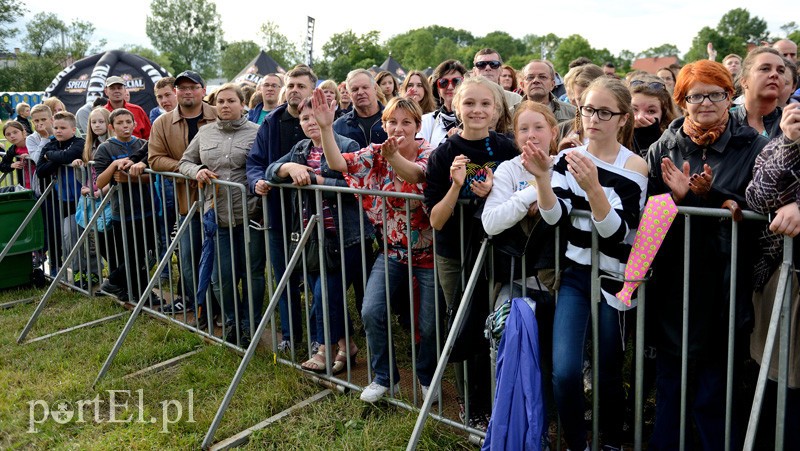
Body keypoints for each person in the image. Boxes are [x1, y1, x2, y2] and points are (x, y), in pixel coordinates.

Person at [645, 59, 769, 450]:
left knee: (714, 391)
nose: (706, 103)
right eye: (696, 96)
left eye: (716, 94)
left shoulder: (754, 145)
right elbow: (647, 217)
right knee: (672, 387)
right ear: (682, 101)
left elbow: (760, 210)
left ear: (730, 97)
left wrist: (711, 198)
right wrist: (673, 199)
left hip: (727, 284)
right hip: (675, 285)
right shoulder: (663, 146)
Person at [523, 76, 648, 451]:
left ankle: (609, 439)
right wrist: (544, 179)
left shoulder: (636, 167)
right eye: (588, 109)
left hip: (616, 279)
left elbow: (616, 232)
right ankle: (575, 441)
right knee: (564, 371)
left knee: (609, 369)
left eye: (604, 112)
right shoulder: (566, 159)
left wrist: (593, 188)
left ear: (623, 118)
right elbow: (553, 217)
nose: (593, 119)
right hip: (576, 275)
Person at [314, 92, 436, 402]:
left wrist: (394, 157)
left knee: (429, 324)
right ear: (383, 124)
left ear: (417, 126)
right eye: (392, 121)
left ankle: (426, 376)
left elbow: (417, 174)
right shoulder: (374, 152)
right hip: (392, 251)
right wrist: (327, 129)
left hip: (430, 256)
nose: (399, 127)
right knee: (371, 311)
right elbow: (338, 162)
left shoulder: (429, 152)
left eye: (406, 122)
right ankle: (385, 378)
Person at [424, 75, 519, 430]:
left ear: (496, 111)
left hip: (499, 252)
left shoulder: (508, 148)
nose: (477, 110)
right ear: (455, 106)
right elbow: (435, 219)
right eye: (469, 103)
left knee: (493, 325)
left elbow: (520, 194)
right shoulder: (444, 154)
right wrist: (457, 187)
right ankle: (469, 402)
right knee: (462, 324)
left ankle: (499, 400)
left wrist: (493, 195)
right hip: (453, 253)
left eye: (485, 104)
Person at [264, 96, 369, 373]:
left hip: (342, 237)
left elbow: (354, 182)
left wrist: (317, 180)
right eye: (304, 118)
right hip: (312, 238)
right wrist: (290, 168)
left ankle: (323, 349)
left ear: (328, 116)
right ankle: (347, 346)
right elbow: (271, 170)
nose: (310, 122)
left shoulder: (347, 145)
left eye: (314, 116)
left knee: (325, 293)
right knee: (325, 295)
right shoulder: (300, 149)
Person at [481, 101, 560, 438]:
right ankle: (517, 429)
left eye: (538, 127)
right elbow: (491, 221)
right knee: (511, 353)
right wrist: (529, 193)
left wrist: (540, 187)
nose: (531, 135)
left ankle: (549, 426)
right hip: (515, 278)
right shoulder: (509, 170)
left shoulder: (567, 164)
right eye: (523, 129)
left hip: (557, 280)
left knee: (553, 360)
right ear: (514, 136)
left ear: (553, 132)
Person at [179, 83, 265, 348]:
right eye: (220, 102)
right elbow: (185, 161)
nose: (225, 106)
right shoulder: (204, 133)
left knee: (253, 273)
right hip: (217, 216)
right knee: (222, 277)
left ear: (243, 104)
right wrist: (197, 172)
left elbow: (265, 164)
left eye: (231, 101)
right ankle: (231, 322)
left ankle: (250, 324)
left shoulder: (258, 132)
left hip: (251, 215)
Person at [246, 65, 317, 353]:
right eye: (291, 85)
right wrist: (257, 182)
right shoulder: (271, 122)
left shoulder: (325, 120)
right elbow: (255, 162)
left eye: (301, 86)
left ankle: (319, 338)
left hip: (315, 214)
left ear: (313, 90)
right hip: (277, 212)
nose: (294, 90)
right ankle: (290, 334)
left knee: (315, 279)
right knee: (284, 276)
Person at [745, 103, 800, 449]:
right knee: (783, 381)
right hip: (785, 279)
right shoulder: (776, 145)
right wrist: (790, 143)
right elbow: (757, 198)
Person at [148, 70, 218, 320]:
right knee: (189, 258)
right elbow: (154, 158)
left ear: (203, 89)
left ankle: (222, 308)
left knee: (221, 262)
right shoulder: (163, 123)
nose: (187, 92)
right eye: (182, 88)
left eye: (193, 87)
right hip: (186, 203)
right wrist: (187, 169)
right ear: (176, 92)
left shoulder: (219, 113)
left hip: (221, 200)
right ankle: (197, 305)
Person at [95, 108, 159, 305]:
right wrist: (114, 166)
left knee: (148, 253)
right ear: (111, 127)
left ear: (135, 124)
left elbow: (152, 176)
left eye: (128, 122)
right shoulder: (105, 149)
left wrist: (129, 179)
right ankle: (140, 294)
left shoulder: (143, 145)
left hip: (147, 208)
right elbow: (100, 182)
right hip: (122, 211)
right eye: (120, 123)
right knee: (132, 255)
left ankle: (115, 283)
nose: (125, 126)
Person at [36, 112, 94, 284]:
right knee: (69, 237)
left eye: (63, 128)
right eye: (56, 128)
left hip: (82, 198)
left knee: (91, 239)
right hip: (62, 201)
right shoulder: (51, 144)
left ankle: (94, 271)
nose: (58, 131)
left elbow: (69, 156)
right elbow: (40, 170)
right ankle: (77, 271)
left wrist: (50, 157)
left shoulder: (79, 143)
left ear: (73, 129)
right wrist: (57, 159)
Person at [730, 47, 786, 139]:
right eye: (765, 69)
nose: (775, 74)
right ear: (744, 81)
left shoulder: (793, 122)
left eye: (781, 71)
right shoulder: (724, 123)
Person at [333, 69, 388, 148]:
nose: (360, 92)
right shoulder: (339, 127)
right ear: (349, 94)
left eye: (365, 87)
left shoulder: (393, 119)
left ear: (375, 88)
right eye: (355, 89)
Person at [419, 59, 467, 148]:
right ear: (437, 90)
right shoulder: (426, 122)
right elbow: (421, 156)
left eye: (456, 81)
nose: (450, 87)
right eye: (443, 82)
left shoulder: (475, 119)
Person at [629, 76, 679, 155]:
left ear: (664, 114)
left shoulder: (676, 143)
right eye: (634, 109)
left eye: (651, 111)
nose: (640, 117)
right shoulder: (614, 138)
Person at [1, 121, 34, 189]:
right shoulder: (13, 149)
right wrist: (12, 165)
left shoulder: (33, 142)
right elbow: (2, 165)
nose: (12, 136)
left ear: (23, 132)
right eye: (8, 134)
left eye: (15, 132)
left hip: (43, 183)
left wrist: (31, 156)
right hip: (25, 185)